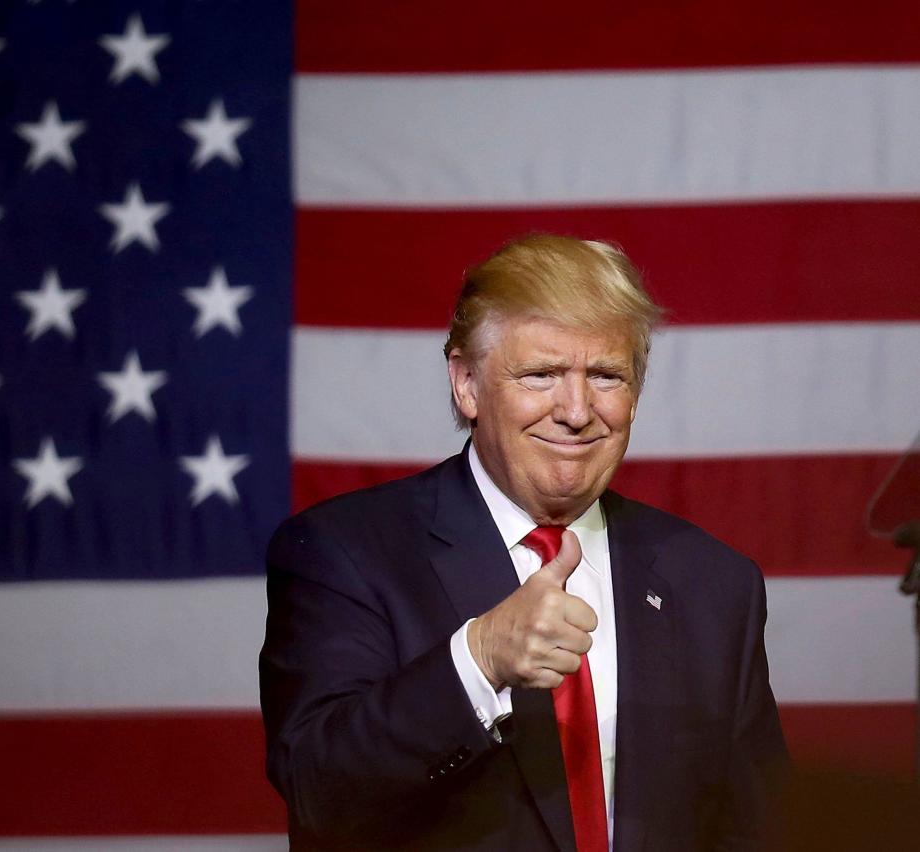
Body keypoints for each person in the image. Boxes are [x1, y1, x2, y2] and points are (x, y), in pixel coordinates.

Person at [259, 234, 788, 850]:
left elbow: (757, 827)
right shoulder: (343, 552)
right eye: (541, 375)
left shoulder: (714, 581)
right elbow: (318, 791)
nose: (576, 410)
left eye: (606, 375)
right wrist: (479, 659)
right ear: (467, 385)